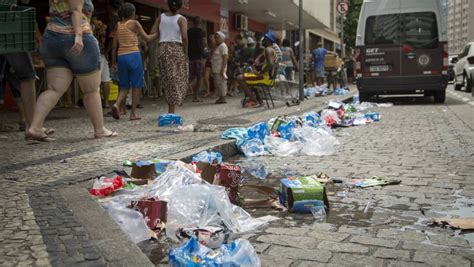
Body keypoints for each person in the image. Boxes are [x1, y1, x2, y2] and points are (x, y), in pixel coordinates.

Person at [27, 0, 115, 141]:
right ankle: (100, 130)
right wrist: (79, 36)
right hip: (75, 39)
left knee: (54, 89)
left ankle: (35, 127)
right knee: (91, 90)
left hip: (51, 38)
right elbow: (75, 10)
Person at [110, 3, 157, 121]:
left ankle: (116, 104)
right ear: (132, 13)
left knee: (124, 86)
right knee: (136, 86)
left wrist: (113, 62)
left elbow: (114, 46)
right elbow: (147, 38)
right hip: (134, 56)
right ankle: (133, 114)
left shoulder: (118, 25)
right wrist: (159, 33)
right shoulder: (135, 24)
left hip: (121, 57)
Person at [153, 0, 188, 114]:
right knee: (177, 78)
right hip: (176, 49)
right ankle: (172, 110)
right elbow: (184, 37)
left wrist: (163, 32)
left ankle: (171, 108)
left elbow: (152, 31)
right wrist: (185, 52)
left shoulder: (161, 17)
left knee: (167, 79)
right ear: (180, 6)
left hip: (162, 49)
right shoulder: (181, 19)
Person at [238, 32, 277, 108]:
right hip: (267, 77)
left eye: (264, 39)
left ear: (268, 41)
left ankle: (253, 100)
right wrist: (259, 65)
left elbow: (270, 64)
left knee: (239, 78)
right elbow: (268, 63)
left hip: (264, 78)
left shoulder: (268, 50)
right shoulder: (271, 49)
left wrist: (260, 73)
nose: (262, 40)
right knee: (250, 78)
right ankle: (259, 100)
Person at [91, 14, 111, 109]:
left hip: (95, 55)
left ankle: (96, 103)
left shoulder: (93, 27)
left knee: (96, 80)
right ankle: (106, 102)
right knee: (106, 79)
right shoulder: (105, 27)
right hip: (104, 54)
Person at [187, 17, 205, 102]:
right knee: (199, 77)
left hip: (190, 57)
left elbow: (185, 42)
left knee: (190, 77)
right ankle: (195, 96)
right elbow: (203, 43)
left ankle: (183, 93)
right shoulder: (201, 32)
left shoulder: (189, 31)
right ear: (200, 23)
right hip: (198, 57)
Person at [211, 32, 229, 104]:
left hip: (220, 68)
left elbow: (225, 57)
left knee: (221, 83)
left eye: (218, 38)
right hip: (216, 68)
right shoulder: (217, 46)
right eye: (215, 38)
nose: (216, 39)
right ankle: (221, 97)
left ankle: (223, 98)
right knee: (218, 83)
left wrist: (222, 69)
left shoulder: (223, 46)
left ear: (222, 38)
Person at [202, 33, 216, 98]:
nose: (210, 38)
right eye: (210, 37)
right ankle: (207, 91)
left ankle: (216, 91)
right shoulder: (208, 45)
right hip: (208, 62)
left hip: (215, 62)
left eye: (212, 37)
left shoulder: (217, 45)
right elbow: (206, 54)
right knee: (205, 77)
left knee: (215, 77)